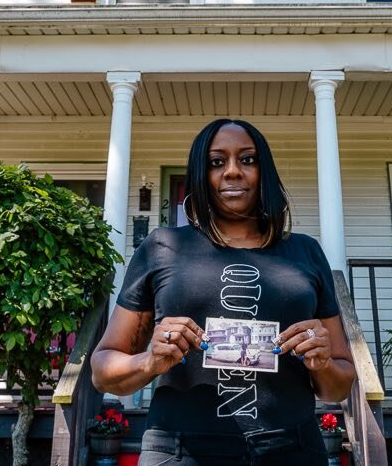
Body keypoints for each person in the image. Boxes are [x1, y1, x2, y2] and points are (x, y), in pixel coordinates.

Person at [91, 118, 355, 466]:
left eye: (247, 159)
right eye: (217, 162)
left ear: (265, 172)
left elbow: (338, 387)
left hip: (291, 449)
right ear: (202, 174)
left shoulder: (306, 252)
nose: (232, 172)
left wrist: (322, 363)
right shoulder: (162, 247)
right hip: (180, 451)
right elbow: (102, 371)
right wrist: (148, 361)